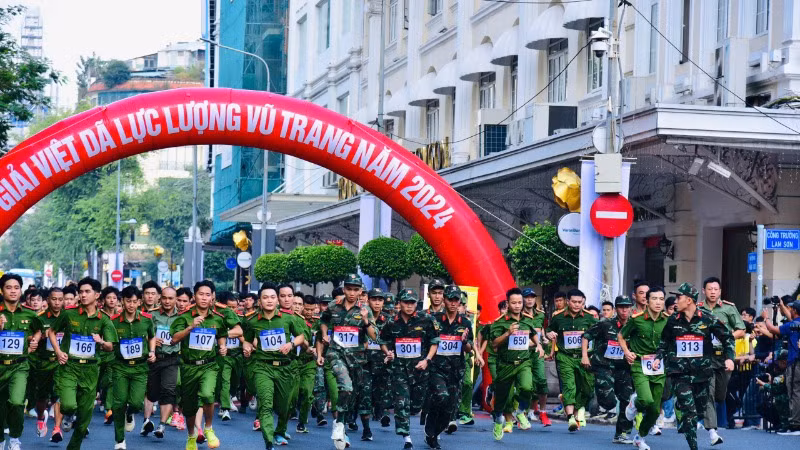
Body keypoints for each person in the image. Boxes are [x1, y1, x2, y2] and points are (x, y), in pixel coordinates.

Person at [652, 282, 734, 450]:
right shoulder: (673, 320)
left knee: (700, 409)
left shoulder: (708, 318)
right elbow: (664, 342)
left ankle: (681, 405)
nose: (676, 301)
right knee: (689, 412)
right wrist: (658, 358)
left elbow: (727, 338)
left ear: (689, 300)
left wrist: (729, 358)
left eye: (679, 297)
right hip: (679, 372)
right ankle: (693, 446)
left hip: (702, 373)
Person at [47, 277, 117, 450]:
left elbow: (110, 346)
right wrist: (58, 352)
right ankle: (68, 415)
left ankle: (73, 447)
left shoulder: (104, 319)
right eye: (81, 292)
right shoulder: (69, 313)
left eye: (87, 291)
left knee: (84, 418)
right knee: (69, 405)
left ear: (97, 295)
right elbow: (51, 332)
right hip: (69, 367)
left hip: (90, 370)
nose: (83, 295)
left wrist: (101, 341)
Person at [241, 282, 306, 450]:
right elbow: (246, 340)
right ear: (259, 301)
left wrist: (291, 344)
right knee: (266, 404)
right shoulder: (251, 321)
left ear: (277, 300)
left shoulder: (289, 318)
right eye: (265, 298)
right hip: (263, 368)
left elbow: (301, 336)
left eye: (272, 297)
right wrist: (247, 348)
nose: (269, 301)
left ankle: (280, 429)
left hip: (285, 368)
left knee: (285, 406)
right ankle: (268, 441)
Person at [318, 274, 378, 449]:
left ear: (360, 291)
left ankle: (341, 423)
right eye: (349, 289)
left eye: (355, 290)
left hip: (357, 359)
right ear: (344, 289)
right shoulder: (333, 305)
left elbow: (374, 336)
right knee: (346, 386)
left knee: (351, 395)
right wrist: (324, 334)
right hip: (336, 354)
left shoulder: (365, 309)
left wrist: (365, 321)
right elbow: (324, 320)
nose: (352, 293)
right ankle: (338, 423)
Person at [170, 280, 229, 450]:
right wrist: (190, 327)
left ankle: (208, 428)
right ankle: (191, 436)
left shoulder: (218, 318)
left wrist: (222, 346)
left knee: (208, 395)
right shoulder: (184, 316)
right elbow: (174, 339)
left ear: (212, 297)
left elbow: (221, 335)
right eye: (200, 294)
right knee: (189, 407)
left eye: (207, 295)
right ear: (194, 296)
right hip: (189, 367)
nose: (204, 298)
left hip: (209, 365)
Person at [380, 288, 439, 450]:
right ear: (400, 303)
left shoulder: (426, 320)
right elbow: (382, 340)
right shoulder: (391, 322)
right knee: (401, 403)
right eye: (406, 302)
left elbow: (435, 342)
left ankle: (416, 417)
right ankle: (406, 437)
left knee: (416, 406)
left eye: (412, 302)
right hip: (399, 369)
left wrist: (427, 360)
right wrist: (387, 352)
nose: (409, 305)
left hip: (420, 369)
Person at [618, 287, 669, 450]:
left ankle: (640, 437)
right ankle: (634, 402)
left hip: (659, 367)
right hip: (639, 364)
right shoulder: (637, 319)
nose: (658, 302)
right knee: (645, 400)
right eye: (654, 299)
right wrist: (627, 352)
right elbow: (621, 336)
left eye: (661, 299)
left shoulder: (667, 320)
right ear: (647, 301)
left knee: (654, 410)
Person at [582, 295, 635, 444]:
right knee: (609, 402)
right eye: (621, 307)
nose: (624, 310)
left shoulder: (634, 325)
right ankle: (601, 395)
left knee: (627, 400)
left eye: (627, 307)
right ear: (616, 309)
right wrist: (584, 356)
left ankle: (621, 434)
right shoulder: (605, 324)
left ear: (630, 308)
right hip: (604, 366)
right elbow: (586, 336)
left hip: (624, 368)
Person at [425, 285, 472, 449]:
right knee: (441, 396)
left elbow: (469, 348)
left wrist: (464, 341)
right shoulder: (434, 320)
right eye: (449, 299)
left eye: (456, 300)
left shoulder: (465, 322)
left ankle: (435, 433)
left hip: (455, 371)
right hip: (437, 369)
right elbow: (427, 342)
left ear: (459, 302)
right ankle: (431, 430)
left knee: (450, 409)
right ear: (444, 300)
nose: (452, 303)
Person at [110, 286, 156, 450]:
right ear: (122, 301)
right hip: (120, 367)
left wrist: (152, 351)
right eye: (128, 301)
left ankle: (130, 414)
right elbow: (109, 341)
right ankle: (120, 440)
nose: (131, 305)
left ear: (139, 302)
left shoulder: (146, 319)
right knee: (119, 403)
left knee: (136, 403)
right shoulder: (114, 321)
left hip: (140, 367)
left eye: (134, 301)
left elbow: (152, 337)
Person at [699, 276, 745, 441]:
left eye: (715, 289)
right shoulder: (698, 309)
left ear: (720, 291)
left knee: (720, 395)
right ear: (704, 291)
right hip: (705, 357)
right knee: (708, 394)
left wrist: (725, 336)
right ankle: (712, 431)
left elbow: (741, 329)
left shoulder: (728, 308)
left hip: (724, 357)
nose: (712, 292)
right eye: (709, 289)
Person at [0, 273, 43, 450]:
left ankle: (15, 439)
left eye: (16, 288)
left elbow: (39, 330)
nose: (13, 291)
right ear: (2, 291)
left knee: (17, 403)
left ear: (21, 291)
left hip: (19, 366)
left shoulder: (29, 313)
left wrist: (35, 340)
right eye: (8, 288)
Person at [488, 287, 536, 440]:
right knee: (502, 399)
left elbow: (534, 335)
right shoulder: (500, 322)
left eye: (520, 302)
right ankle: (498, 421)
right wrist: (508, 333)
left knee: (528, 387)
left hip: (523, 362)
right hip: (506, 364)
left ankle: (520, 411)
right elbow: (494, 344)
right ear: (508, 303)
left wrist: (540, 345)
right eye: (514, 303)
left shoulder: (528, 320)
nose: (517, 306)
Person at [546, 288, 597, 432]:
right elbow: (548, 330)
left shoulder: (590, 318)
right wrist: (549, 334)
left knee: (587, 389)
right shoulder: (558, 317)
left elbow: (598, 334)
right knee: (569, 386)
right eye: (574, 302)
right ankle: (570, 418)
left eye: (580, 302)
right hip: (565, 357)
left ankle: (575, 410)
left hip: (584, 358)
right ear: (568, 302)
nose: (577, 305)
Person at [143, 286, 183, 438]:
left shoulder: (182, 317)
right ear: (160, 298)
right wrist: (152, 340)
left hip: (172, 359)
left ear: (175, 299)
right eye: (164, 298)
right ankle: (147, 421)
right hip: (154, 359)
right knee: (152, 392)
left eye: (170, 298)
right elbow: (143, 333)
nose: (167, 301)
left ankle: (161, 425)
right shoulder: (151, 315)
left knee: (168, 390)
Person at [30, 287, 65, 442]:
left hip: (61, 363)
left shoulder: (68, 317)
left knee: (59, 394)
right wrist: (37, 339)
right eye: (54, 299)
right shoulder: (39, 318)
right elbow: (29, 336)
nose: (57, 302)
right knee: (42, 397)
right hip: (43, 363)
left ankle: (57, 429)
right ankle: (40, 417)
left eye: (60, 299)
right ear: (48, 300)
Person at [762, 300, 800, 435]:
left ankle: (795, 424)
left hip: (795, 362)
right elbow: (791, 318)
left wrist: (766, 318)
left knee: (794, 392)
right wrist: (781, 305)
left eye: (791, 309)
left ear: (794, 310)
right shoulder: (795, 323)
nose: (789, 311)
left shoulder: (793, 325)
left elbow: (773, 330)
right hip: (796, 361)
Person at [360, 288, 392, 430]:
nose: (377, 303)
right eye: (374, 299)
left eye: (380, 300)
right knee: (365, 392)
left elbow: (392, 339)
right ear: (368, 301)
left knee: (382, 391)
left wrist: (390, 354)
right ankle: (365, 427)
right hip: (365, 361)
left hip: (382, 361)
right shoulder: (361, 317)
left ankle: (383, 413)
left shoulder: (388, 319)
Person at [521, 287, 550, 427]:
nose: (530, 300)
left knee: (542, 381)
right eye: (527, 297)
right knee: (526, 385)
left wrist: (545, 339)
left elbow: (542, 330)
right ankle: (523, 412)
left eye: (532, 297)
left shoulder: (541, 315)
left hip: (537, 353)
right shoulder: (518, 315)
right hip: (523, 354)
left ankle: (543, 412)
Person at [98, 286, 120, 425]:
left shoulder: (120, 316)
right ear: (103, 300)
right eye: (108, 298)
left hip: (113, 354)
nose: (111, 300)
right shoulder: (98, 315)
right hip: (98, 353)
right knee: (98, 382)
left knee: (111, 380)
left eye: (114, 298)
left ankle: (109, 409)